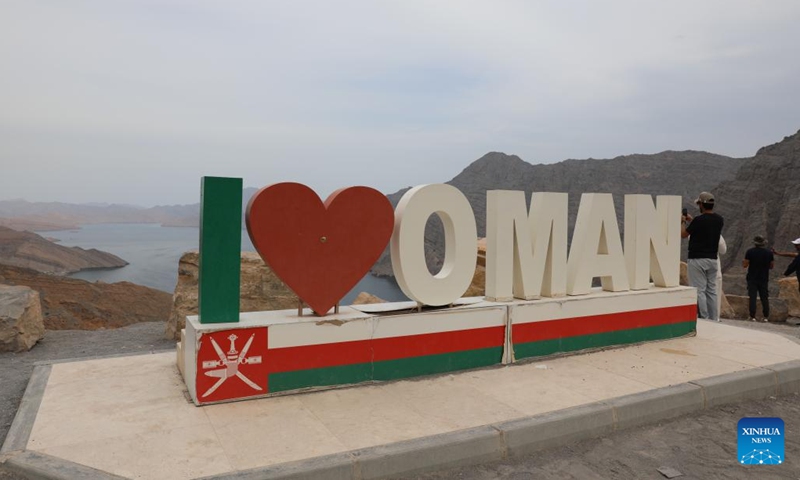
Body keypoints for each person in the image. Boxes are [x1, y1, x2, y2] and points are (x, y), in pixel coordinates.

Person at [681, 192, 723, 321]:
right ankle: (714, 318)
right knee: (711, 290)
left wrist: (683, 222)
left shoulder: (699, 221)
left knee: (699, 290)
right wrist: (692, 220)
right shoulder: (719, 219)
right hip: (712, 260)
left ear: (701, 204)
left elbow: (683, 234)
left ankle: (704, 319)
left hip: (697, 259)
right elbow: (706, 225)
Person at [743, 235, 774, 322]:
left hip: (752, 278)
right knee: (764, 297)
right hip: (764, 278)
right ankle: (766, 317)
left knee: (752, 297)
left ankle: (752, 316)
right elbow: (771, 266)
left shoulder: (750, 252)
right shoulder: (769, 253)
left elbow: (745, 265)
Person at [716, 235, 727, 321]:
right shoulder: (717, 234)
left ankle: (702, 316)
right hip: (714, 266)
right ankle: (715, 317)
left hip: (696, 263)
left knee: (700, 292)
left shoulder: (693, 230)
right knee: (715, 293)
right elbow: (723, 250)